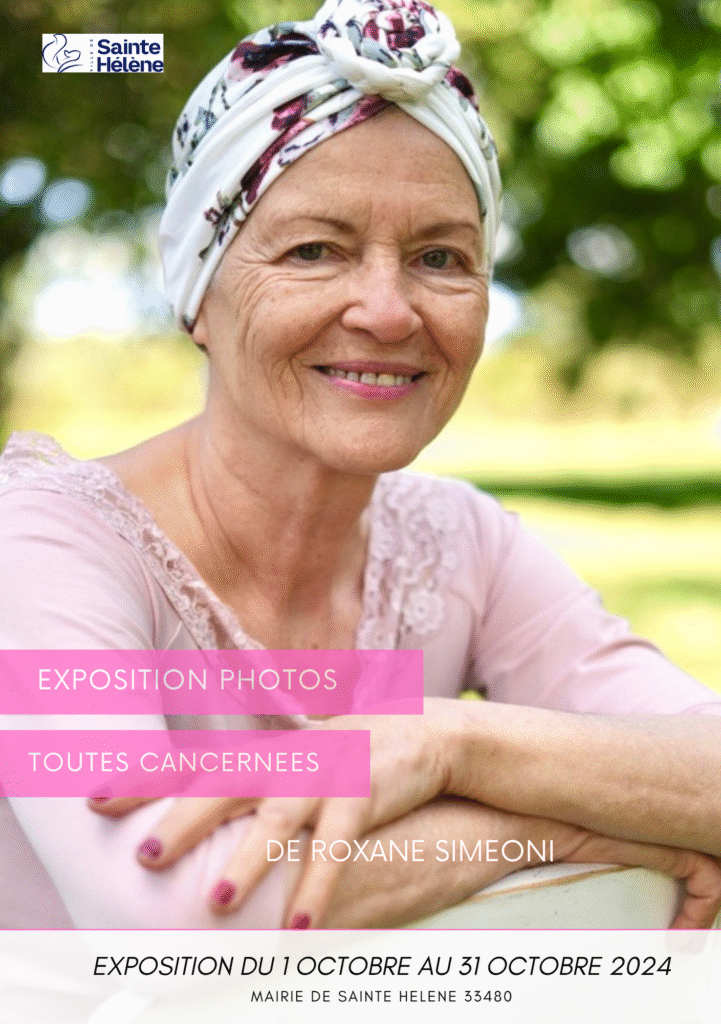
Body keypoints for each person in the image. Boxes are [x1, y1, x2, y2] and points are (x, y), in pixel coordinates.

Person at [2, 0, 721, 933]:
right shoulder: (40, 544)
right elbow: (170, 908)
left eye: (438, 256)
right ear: (197, 297)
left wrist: (443, 739)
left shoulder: (457, 545)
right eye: (314, 249)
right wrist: (564, 828)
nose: (387, 311)